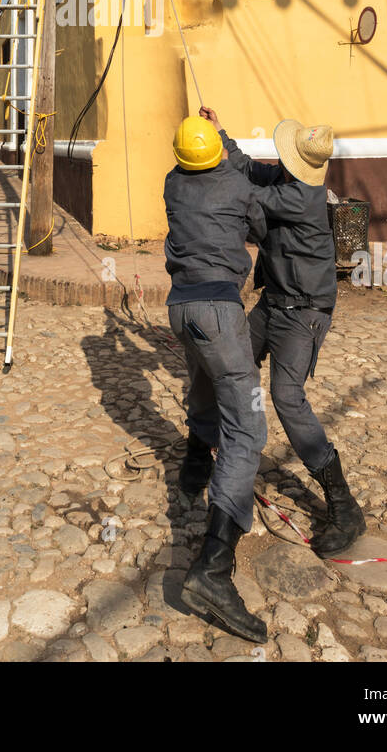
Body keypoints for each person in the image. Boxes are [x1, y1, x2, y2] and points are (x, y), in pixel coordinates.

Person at [200, 107, 366, 557]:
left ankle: (343, 505)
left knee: (287, 397)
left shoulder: (303, 199)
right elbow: (250, 171)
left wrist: (202, 176)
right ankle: (210, 453)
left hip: (304, 314)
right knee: (231, 363)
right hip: (273, 302)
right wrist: (220, 135)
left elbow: (248, 199)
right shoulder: (283, 179)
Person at [164, 114, 269, 642]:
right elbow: (261, 218)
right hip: (220, 309)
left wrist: (215, 137)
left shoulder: (173, 182)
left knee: (203, 386)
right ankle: (213, 566)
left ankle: (191, 472)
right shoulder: (235, 181)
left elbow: (207, 163)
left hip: (180, 309)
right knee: (248, 429)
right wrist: (228, 137)